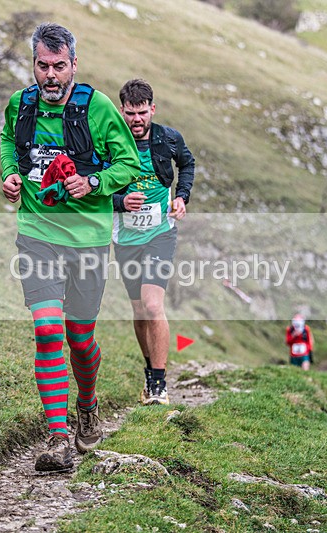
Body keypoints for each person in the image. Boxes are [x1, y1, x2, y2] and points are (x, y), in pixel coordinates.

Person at [0, 23, 139, 472]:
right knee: (45, 330)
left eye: (60, 66)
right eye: (43, 66)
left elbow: (129, 163)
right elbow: (8, 142)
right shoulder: (20, 105)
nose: (51, 75)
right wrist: (10, 174)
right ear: (34, 65)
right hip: (37, 235)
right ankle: (59, 437)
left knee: (79, 338)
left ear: (74, 64)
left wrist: (94, 181)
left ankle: (88, 403)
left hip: (90, 242)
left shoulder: (97, 109)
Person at [111, 79, 195, 406]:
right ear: (122, 111)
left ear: (152, 110)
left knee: (153, 305)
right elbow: (96, 187)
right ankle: (150, 371)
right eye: (130, 113)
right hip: (126, 237)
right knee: (138, 310)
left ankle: (159, 387)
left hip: (161, 231)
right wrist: (120, 201)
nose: (136, 119)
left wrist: (182, 197)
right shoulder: (110, 143)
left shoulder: (169, 138)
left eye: (142, 113)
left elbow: (187, 164)